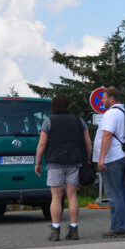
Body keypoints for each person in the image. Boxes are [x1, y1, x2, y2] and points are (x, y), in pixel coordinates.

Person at [35, 94, 92, 241]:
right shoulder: (78, 120)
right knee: (72, 196)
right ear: (68, 105)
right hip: (74, 162)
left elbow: (42, 144)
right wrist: (87, 159)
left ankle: (55, 231)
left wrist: (38, 162)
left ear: (54, 106)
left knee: (56, 197)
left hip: (54, 162)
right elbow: (88, 142)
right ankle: (73, 229)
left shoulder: (49, 121)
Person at [95, 86, 125, 238]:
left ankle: (119, 227)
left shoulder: (111, 113)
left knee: (114, 193)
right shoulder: (123, 112)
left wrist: (101, 159)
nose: (102, 100)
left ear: (111, 99)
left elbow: (107, 135)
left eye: (104, 97)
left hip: (113, 158)